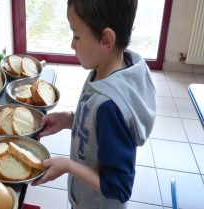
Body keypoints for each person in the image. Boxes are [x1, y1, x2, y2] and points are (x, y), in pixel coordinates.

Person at [33, 0, 156, 209]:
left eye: (77, 36)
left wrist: (68, 166)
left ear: (106, 39)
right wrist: (69, 120)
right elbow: (98, 127)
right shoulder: (107, 67)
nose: (72, 44)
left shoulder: (111, 107)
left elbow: (120, 186)